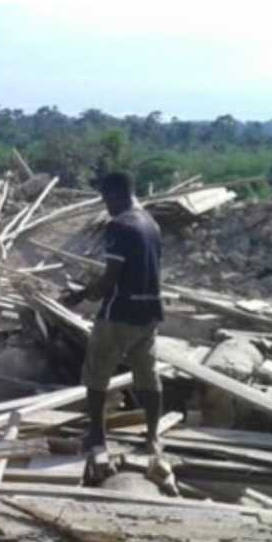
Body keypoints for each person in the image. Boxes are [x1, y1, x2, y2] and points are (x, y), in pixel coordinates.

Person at [61, 171, 164, 462]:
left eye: (105, 198)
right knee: (148, 376)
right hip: (149, 312)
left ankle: (97, 437)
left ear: (117, 194)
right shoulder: (151, 223)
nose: (105, 205)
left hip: (119, 312)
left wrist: (80, 295)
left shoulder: (120, 225)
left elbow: (110, 279)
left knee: (96, 375)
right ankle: (153, 438)